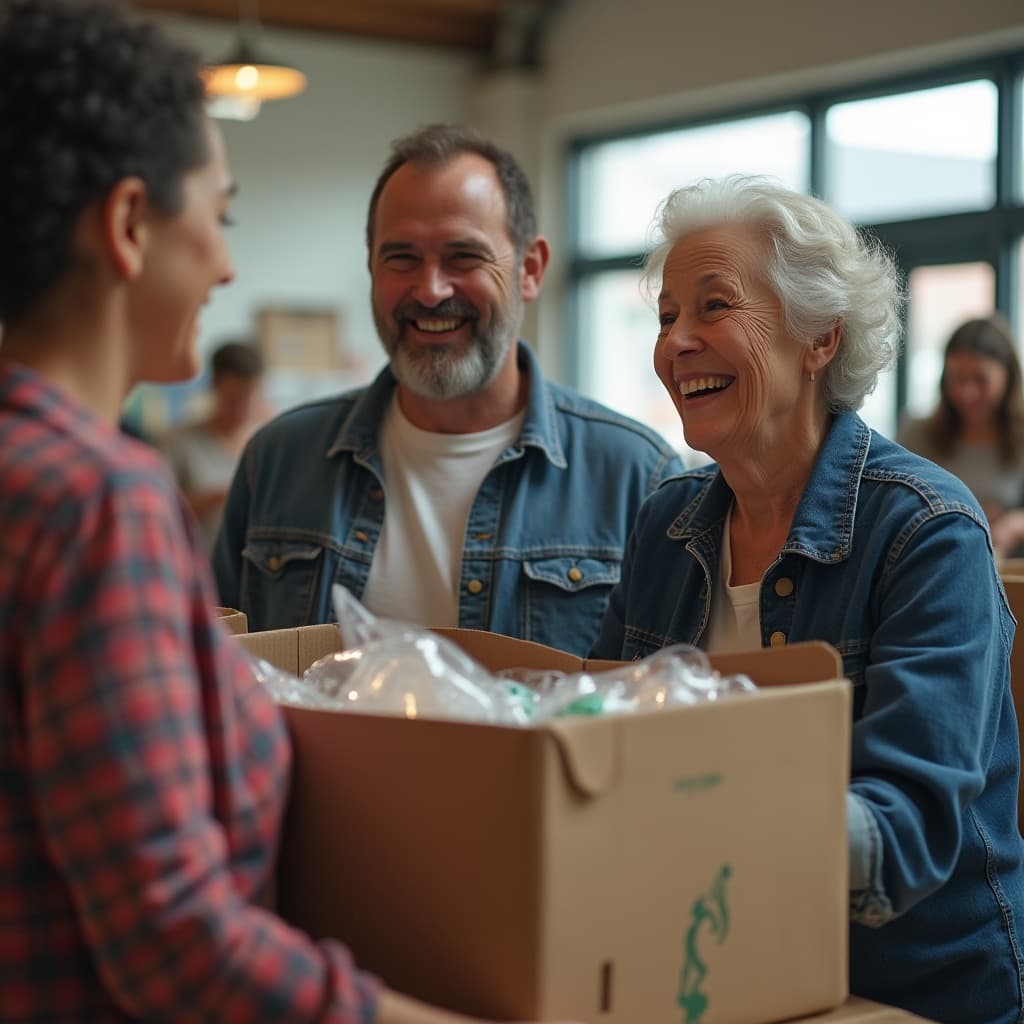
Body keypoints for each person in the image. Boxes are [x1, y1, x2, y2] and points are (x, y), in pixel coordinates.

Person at [0, 3, 579, 1023]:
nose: (227, 264)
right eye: (220, 216)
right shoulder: (102, 501)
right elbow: (175, 937)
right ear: (131, 225)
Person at [590, 175, 1024, 1024]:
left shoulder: (927, 531)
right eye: (665, 316)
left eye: (714, 307)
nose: (676, 342)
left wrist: (688, 816)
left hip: (907, 988)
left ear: (820, 338)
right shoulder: (665, 523)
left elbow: (905, 833)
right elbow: (598, 733)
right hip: (705, 961)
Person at [212, 123, 684, 655]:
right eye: (402, 258)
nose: (431, 290)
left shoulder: (638, 478)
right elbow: (217, 674)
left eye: (463, 257)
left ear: (530, 269)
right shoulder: (278, 463)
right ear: (371, 267)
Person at [898, 314, 1024, 557]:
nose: (967, 392)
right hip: (930, 560)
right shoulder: (917, 433)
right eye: (957, 379)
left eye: (980, 379)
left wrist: (1014, 524)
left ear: (1008, 378)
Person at [162, 340, 269, 551]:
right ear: (215, 387)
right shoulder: (178, 442)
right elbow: (160, 510)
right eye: (233, 398)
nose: (242, 408)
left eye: (249, 396)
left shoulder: (268, 443)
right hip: (199, 563)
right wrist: (217, 498)